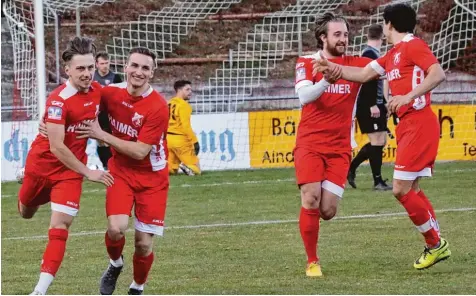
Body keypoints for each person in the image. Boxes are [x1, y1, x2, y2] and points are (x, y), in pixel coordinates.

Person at [313, 3, 449, 270]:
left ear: (389, 24)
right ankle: (435, 242)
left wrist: (409, 95)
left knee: (400, 189)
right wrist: (332, 68)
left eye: (383, 23)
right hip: (409, 127)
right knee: (412, 190)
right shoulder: (394, 54)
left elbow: (438, 73)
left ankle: (435, 244)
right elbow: (364, 74)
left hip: (420, 124)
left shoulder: (413, 46)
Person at [18, 37, 114, 295]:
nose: (86, 74)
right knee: (25, 212)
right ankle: (25, 179)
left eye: (90, 68)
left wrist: (99, 133)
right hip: (42, 165)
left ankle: (39, 290)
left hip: (70, 173)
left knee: (60, 227)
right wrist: (89, 172)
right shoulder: (59, 100)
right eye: (80, 69)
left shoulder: (98, 92)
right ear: (67, 70)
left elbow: (124, 94)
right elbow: (57, 146)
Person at [76, 47, 169, 295]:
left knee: (143, 245)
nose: (139, 72)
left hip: (153, 179)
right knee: (116, 229)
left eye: (145, 68)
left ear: (152, 72)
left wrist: (102, 135)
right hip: (121, 172)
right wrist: (49, 120)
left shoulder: (158, 107)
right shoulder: (109, 93)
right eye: (135, 66)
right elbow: (78, 92)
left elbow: (140, 151)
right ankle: (115, 264)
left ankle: (136, 287)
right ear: (125, 67)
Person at [294, 12, 371, 277]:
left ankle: (313, 217)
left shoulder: (356, 64)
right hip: (309, 144)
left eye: (346, 34)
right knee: (311, 198)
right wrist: (327, 79)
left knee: (327, 210)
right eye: (337, 34)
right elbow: (304, 96)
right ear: (322, 37)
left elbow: (379, 69)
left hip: (340, 148)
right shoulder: (307, 62)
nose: (343, 39)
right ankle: (312, 261)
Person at [348, 24, 392, 191]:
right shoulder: (368, 54)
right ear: (382, 37)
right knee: (377, 141)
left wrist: (384, 102)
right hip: (369, 105)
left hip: (377, 103)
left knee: (380, 141)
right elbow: (365, 81)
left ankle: (352, 168)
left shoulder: (375, 54)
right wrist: (373, 103)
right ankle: (377, 181)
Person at [93, 51, 123, 170]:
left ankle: (112, 163)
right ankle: (103, 163)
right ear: (96, 64)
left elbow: (121, 95)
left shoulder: (115, 77)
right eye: (102, 63)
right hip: (95, 112)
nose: (105, 66)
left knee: (111, 138)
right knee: (98, 139)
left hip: (111, 112)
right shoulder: (91, 76)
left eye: (107, 63)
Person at [167, 80, 201, 175]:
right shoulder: (184, 105)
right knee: (197, 169)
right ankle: (187, 167)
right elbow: (186, 126)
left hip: (168, 139)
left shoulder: (168, 103)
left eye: (190, 89)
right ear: (179, 90)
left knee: (171, 168)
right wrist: (194, 141)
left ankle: (158, 172)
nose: (190, 92)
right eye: (187, 89)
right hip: (180, 140)